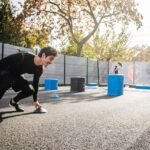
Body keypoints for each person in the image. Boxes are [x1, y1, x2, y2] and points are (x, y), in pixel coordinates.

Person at [0, 46, 58, 112]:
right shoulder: (23, 56)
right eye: (51, 59)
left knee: (30, 90)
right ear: (43, 55)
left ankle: (13, 102)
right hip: (4, 72)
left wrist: (35, 100)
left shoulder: (39, 69)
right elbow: (3, 62)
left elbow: (35, 84)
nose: (51, 62)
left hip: (16, 76)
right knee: (7, 80)